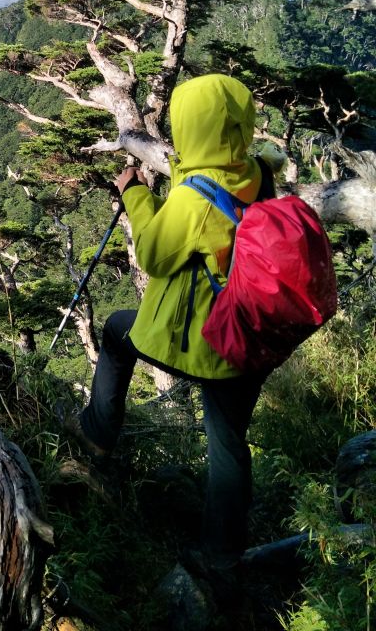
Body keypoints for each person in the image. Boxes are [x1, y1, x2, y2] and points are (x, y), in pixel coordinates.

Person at [79, 74, 274, 587]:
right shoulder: (259, 172)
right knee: (229, 444)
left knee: (119, 333)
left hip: (205, 339)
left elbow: (153, 254)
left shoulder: (194, 198)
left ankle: (97, 437)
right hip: (251, 335)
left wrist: (136, 197)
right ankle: (223, 557)